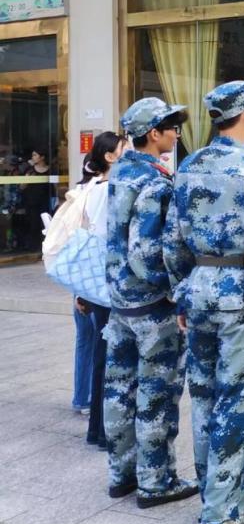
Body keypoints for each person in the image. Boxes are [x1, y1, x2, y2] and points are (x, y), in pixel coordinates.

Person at [164, 81, 244, 524]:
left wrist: (181, 292)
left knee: (204, 398)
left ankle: (223, 490)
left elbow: (172, 239)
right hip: (238, 299)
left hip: (198, 291)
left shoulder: (188, 165)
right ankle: (221, 512)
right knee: (236, 401)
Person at [105, 98, 198, 508]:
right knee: (156, 395)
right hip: (151, 307)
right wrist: (175, 288)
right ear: (153, 133)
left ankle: (121, 474)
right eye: (171, 126)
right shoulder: (155, 181)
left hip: (120, 303)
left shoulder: (120, 173)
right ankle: (156, 481)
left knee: (119, 391)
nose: (177, 132)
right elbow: (145, 254)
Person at [78, 131, 129, 449]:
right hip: (111, 283)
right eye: (125, 149)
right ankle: (106, 432)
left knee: (102, 353)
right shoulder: (113, 190)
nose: (130, 153)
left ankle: (97, 429)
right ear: (110, 157)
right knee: (112, 357)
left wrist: (81, 290)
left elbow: (85, 239)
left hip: (95, 283)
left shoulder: (90, 188)